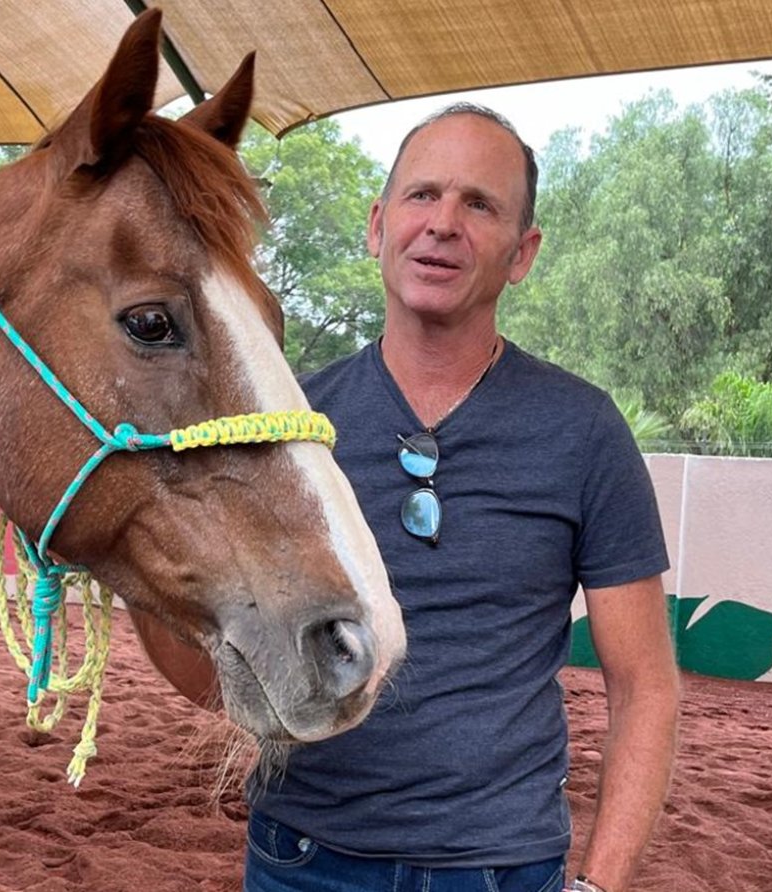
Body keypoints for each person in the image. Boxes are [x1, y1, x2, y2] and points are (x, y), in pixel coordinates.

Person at [240, 104, 681, 892]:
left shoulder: (583, 431)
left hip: (506, 866)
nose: (443, 223)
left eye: (480, 204)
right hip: (302, 858)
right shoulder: (289, 426)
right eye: (422, 195)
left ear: (523, 253)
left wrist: (599, 884)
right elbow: (219, 660)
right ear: (377, 226)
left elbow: (645, 686)